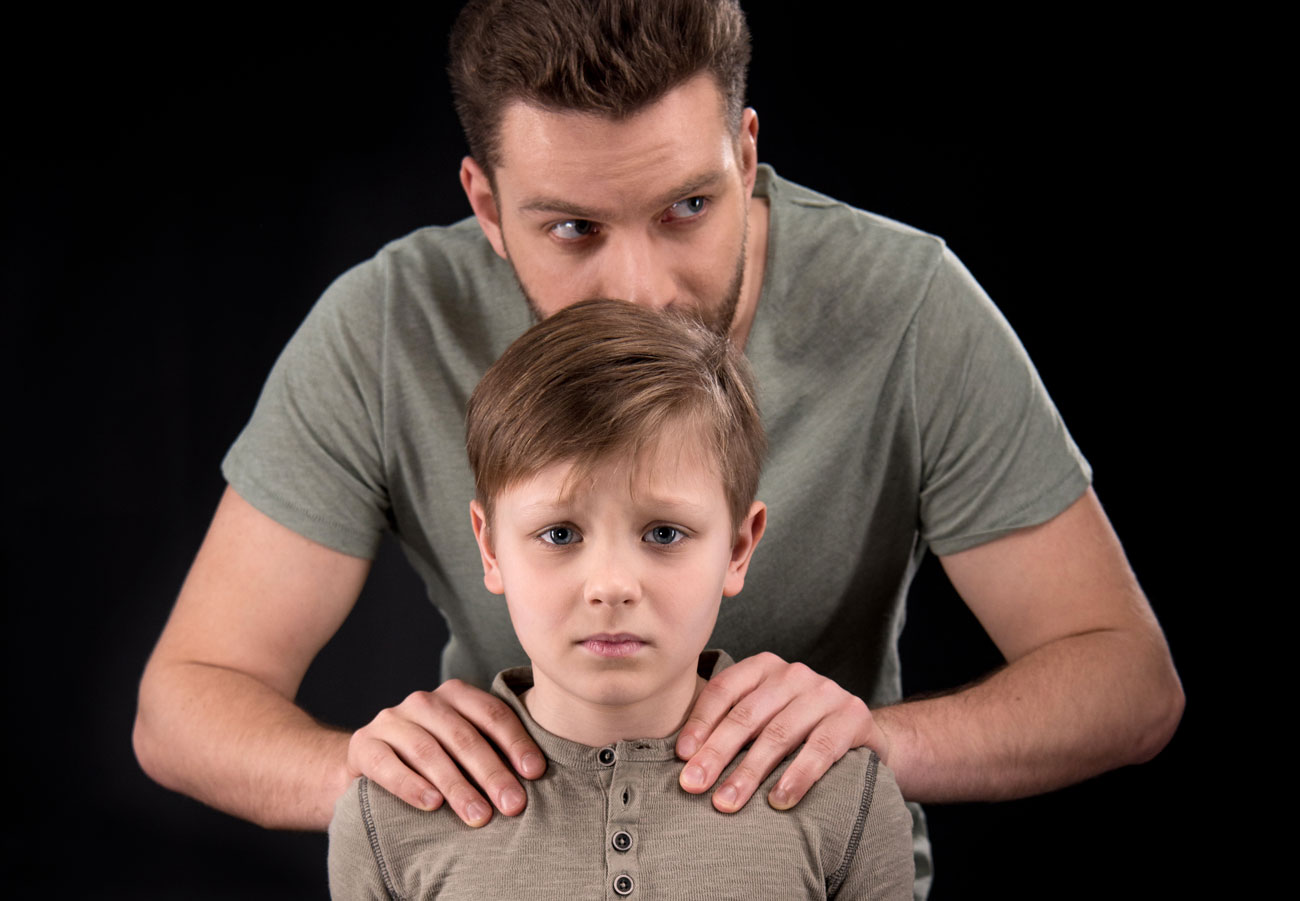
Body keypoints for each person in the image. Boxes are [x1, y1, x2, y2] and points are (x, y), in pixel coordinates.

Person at [132, 1, 1184, 896]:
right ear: (486, 207)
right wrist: (388, 788)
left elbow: (1127, 679)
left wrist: (869, 744)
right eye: (574, 229)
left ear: (747, 154)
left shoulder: (909, 306)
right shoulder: (385, 325)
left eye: (688, 206)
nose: (641, 289)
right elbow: (184, 703)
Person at [328, 299, 915, 899]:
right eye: (560, 534)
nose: (611, 586)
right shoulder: (391, 814)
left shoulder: (845, 797)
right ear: (491, 548)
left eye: (664, 534)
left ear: (739, 547)